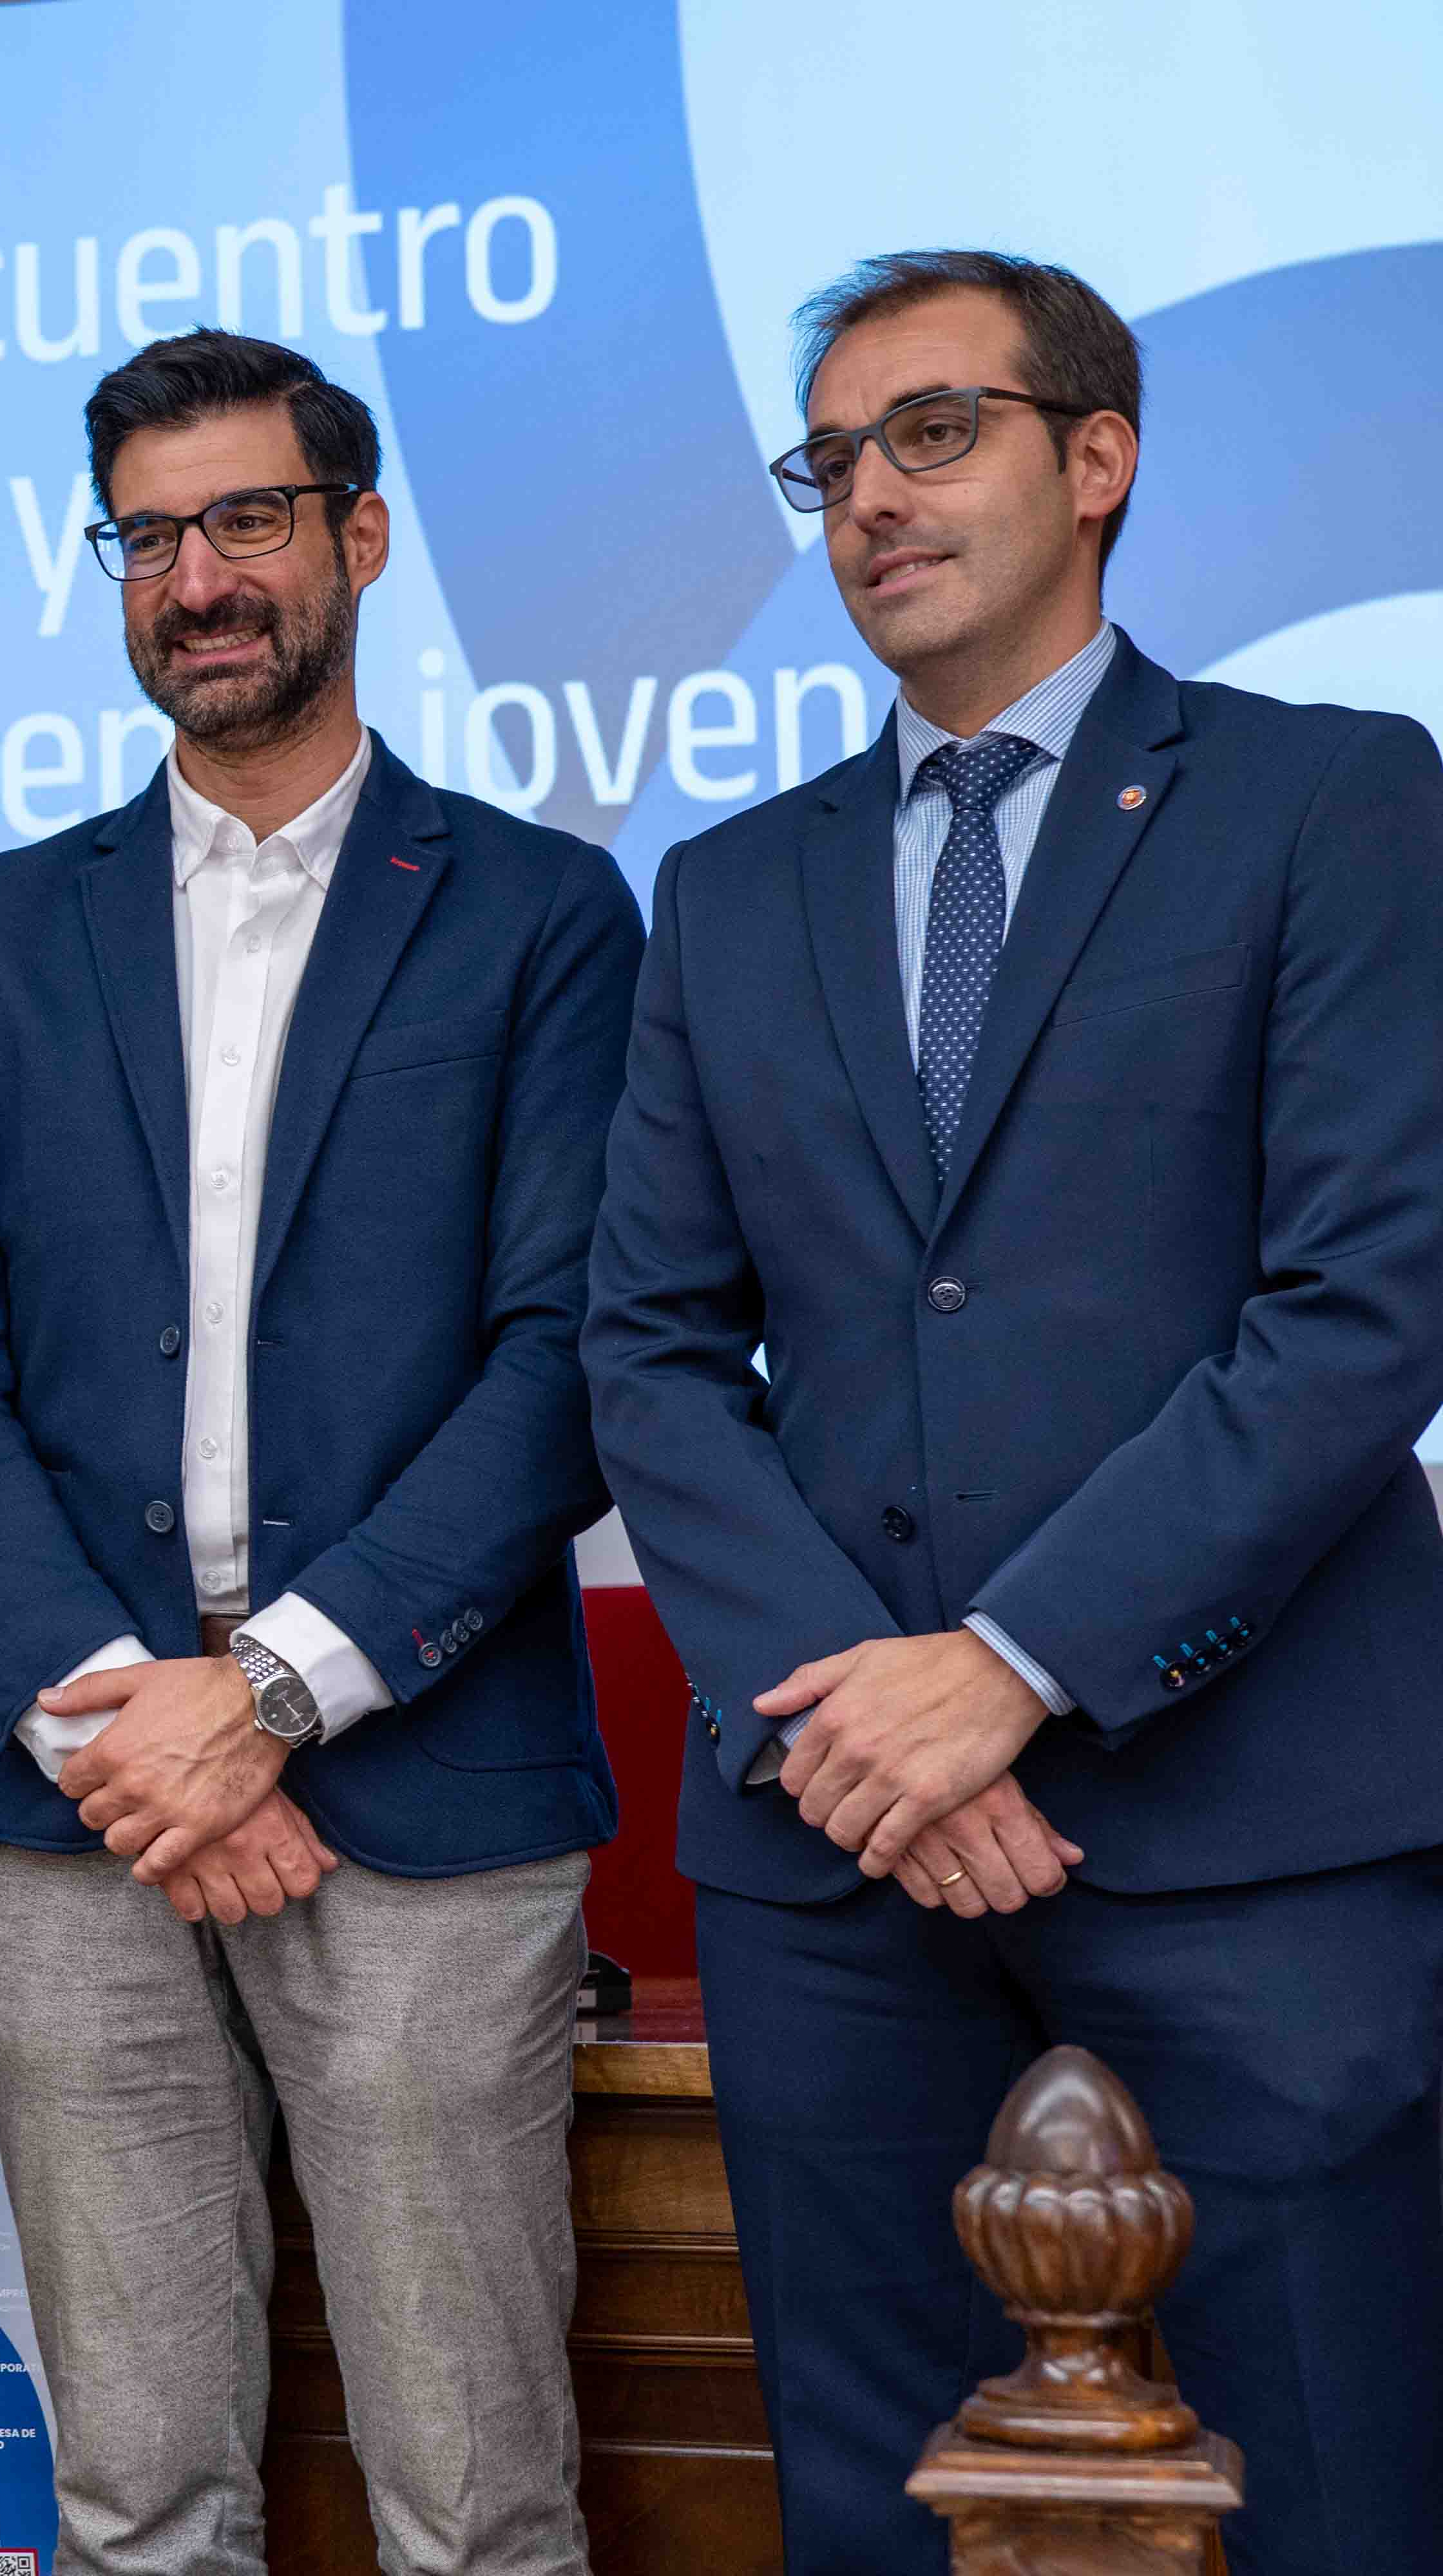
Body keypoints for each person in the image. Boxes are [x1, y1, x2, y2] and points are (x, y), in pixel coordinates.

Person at [586, 249, 1443, 2571]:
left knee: (1328, 2484)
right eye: (830, 462)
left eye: (933, 432)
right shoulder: (727, 889)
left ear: (1099, 460)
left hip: (1250, 1829)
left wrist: (1013, 1669)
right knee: (878, 2502)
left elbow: (1366, 1304)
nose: (871, 496)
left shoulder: (1331, 798)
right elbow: (648, 1345)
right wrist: (861, 1721)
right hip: (839, 1858)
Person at [0, 330, 640, 2575]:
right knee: (133, 2501)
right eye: (147, 537)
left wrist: (274, 1694)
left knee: (475, 2504)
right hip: (80, 1803)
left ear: (359, 537)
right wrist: (143, 1730)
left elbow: (569, 1362)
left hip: (426, 1784)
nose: (195, 579)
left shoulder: (540, 914)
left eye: (246, 521)